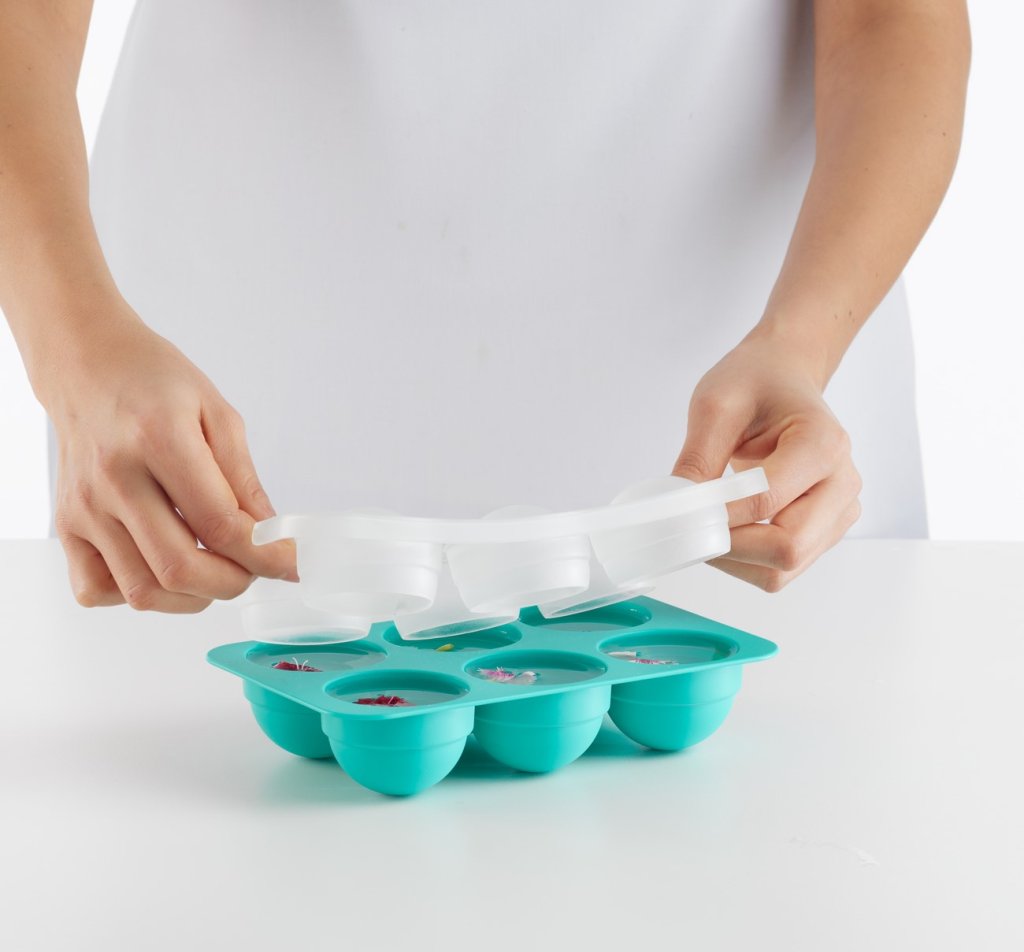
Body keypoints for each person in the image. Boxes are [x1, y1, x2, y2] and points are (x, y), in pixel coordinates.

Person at [0, 1, 970, 614]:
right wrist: (76, 353)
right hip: (207, 486)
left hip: (747, 487)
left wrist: (802, 342)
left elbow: (896, 18)